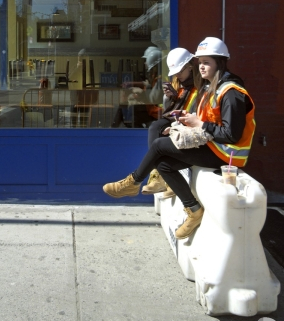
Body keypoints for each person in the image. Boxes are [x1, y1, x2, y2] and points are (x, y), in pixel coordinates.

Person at [103, 37, 256, 240]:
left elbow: (231, 135)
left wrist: (199, 124)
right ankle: (193, 210)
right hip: (213, 146)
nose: (201, 67)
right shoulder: (214, 86)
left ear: (220, 62)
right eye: (199, 62)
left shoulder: (231, 93)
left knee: (159, 146)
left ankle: (133, 182)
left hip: (225, 155)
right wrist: (184, 126)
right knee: (165, 164)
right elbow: (209, 122)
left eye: (206, 62)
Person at [142, 47, 199, 196]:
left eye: (180, 71)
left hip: (191, 123)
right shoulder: (177, 82)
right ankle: (157, 176)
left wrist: (177, 126)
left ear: (190, 66)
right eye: (176, 72)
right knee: (155, 127)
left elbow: (198, 113)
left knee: (162, 141)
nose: (178, 75)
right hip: (177, 119)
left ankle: (167, 180)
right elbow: (167, 111)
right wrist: (169, 98)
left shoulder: (201, 85)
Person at [111, 47, 163, 128]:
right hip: (151, 110)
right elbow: (147, 84)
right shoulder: (154, 76)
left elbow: (153, 99)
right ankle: (115, 126)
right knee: (124, 104)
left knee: (133, 108)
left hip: (155, 113)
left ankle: (122, 128)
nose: (145, 63)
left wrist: (141, 94)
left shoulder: (160, 79)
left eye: (146, 60)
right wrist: (132, 84)